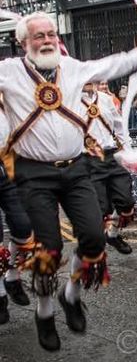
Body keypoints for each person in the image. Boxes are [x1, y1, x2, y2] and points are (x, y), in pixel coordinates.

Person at [0, 11, 137, 351]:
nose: (48, 40)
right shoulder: (8, 72)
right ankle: (45, 311)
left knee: (94, 238)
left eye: (51, 34)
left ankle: (71, 294)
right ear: (24, 43)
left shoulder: (74, 68)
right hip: (33, 173)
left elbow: (109, 66)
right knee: (49, 249)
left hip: (76, 168)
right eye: (39, 36)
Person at [81, 81, 136, 255]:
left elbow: (119, 127)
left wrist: (128, 152)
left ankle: (112, 235)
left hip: (111, 155)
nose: (90, 82)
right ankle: (93, 252)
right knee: (101, 207)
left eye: (93, 78)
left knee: (126, 202)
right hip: (88, 159)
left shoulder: (106, 99)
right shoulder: (69, 101)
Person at [0, 96, 35, 324]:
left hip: (8, 170)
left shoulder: (8, 100)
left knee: (24, 227)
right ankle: (0, 297)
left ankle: (12, 277)